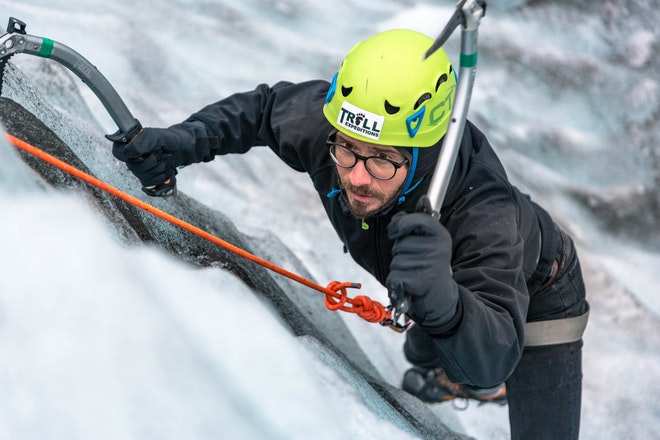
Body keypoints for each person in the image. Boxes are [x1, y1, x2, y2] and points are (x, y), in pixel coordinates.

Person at [112, 29, 590, 439]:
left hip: (539, 289)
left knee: (470, 358)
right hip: (431, 270)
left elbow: (496, 355)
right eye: (348, 150)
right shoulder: (333, 127)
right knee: (421, 352)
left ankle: (460, 365)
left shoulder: (484, 215)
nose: (357, 178)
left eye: (383, 159)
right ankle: (436, 362)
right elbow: (260, 112)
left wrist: (444, 305)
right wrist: (184, 140)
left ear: (424, 152)